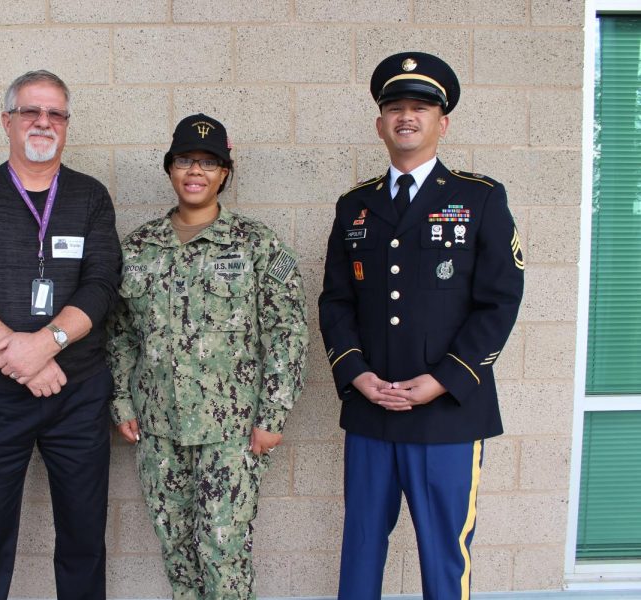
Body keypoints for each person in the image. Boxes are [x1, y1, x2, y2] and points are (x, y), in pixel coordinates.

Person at [319, 52, 524, 599]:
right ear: (380, 124)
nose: (406, 116)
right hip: (370, 409)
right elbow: (336, 301)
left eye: (419, 107)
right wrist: (357, 375)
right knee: (361, 546)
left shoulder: (479, 198)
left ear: (443, 122)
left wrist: (444, 378)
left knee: (443, 555)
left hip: (448, 412)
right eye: (395, 108)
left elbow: (500, 302)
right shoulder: (354, 206)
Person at [0, 70, 120, 600]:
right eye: (31, 112)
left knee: (84, 539)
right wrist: (20, 354)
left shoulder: (90, 197)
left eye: (55, 113)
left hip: (78, 396)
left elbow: (103, 285)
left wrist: (46, 344)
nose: (43, 122)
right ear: (7, 122)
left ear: (66, 124)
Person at [108, 113, 309, 599]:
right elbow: (119, 333)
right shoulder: (138, 247)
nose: (195, 171)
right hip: (158, 428)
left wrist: (273, 413)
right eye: (184, 161)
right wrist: (122, 401)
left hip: (232, 432)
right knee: (176, 549)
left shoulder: (256, 244)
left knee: (223, 553)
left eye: (208, 162)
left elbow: (288, 331)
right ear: (170, 169)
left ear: (224, 173)